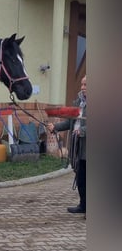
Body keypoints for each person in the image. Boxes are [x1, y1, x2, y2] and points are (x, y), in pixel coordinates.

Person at [48, 75, 86, 217]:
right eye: (82, 84)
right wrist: (55, 127)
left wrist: (82, 130)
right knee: (81, 178)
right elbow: (69, 122)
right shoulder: (77, 103)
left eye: (86, 85)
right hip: (78, 147)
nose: (82, 87)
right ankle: (83, 205)